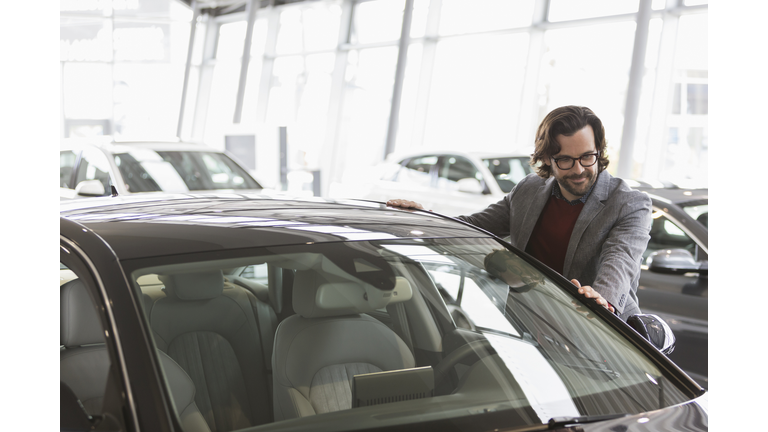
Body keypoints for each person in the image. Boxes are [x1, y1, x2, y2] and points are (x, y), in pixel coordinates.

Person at [387, 105, 652, 320]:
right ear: (547, 157)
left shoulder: (629, 204)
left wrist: (600, 298)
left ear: (598, 151)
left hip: (603, 340)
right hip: (530, 325)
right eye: (565, 160)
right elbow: (474, 226)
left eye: (587, 157)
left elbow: (621, 258)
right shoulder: (529, 188)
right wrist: (424, 217)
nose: (579, 169)